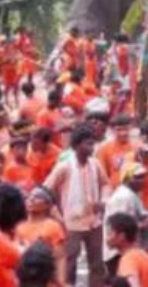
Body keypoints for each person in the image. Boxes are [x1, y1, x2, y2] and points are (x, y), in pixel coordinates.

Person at [43, 123, 110, 287]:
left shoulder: (95, 164)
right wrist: (57, 216)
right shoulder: (64, 167)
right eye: (88, 144)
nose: (92, 147)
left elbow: (106, 184)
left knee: (97, 261)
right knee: (69, 263)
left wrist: (104, 200)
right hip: (70, 223)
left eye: (93, 143)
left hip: (94, 222)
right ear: (76, 145)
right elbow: (45, 190)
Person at [15, 188, 68, 281]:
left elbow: (60, 257)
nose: (31, 200)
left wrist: (61, 280)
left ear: (48, 205)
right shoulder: (19, 227)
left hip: (44, 277)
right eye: (29, 196)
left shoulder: (53, 226)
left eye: (37, 197)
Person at [106, 213, 148, 287]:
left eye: (109, 233)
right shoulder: (144, 255)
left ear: (122, 236)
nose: (107, 238)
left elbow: (133, 283)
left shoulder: (129, 259)